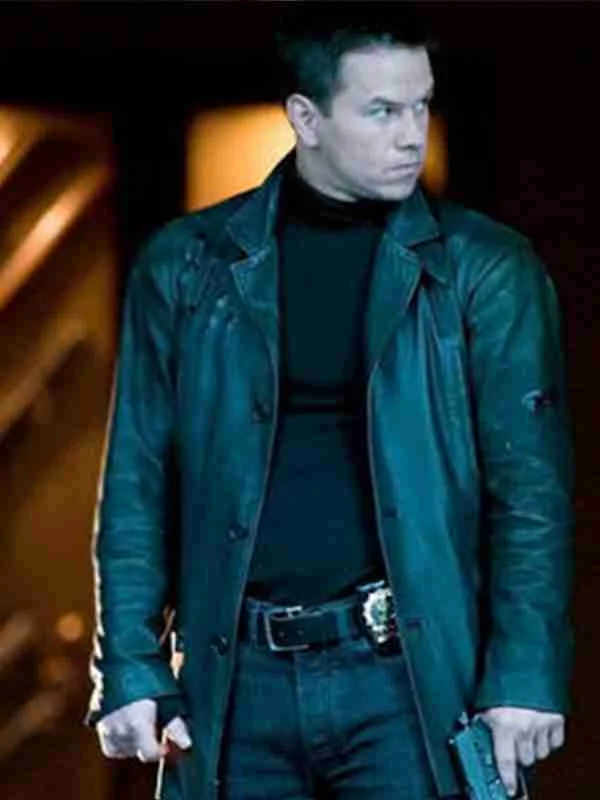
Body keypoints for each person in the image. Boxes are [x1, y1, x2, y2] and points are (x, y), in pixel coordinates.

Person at [84, 5, 575, 800]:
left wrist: (524, 673)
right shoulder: (186, 266)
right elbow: (137, 479)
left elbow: (530, 490)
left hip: (406, 677)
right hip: (235, 678)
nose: (411, 134)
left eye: (421, 105)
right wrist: (130, 667)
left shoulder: (486, 268)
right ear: (306, 119)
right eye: (381, 111)